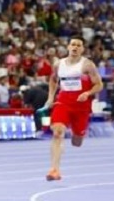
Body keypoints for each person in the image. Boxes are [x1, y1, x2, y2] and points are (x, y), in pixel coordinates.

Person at [42, 34, 103, 181]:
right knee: (57, 132)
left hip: (81, 106)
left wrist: (88, 93)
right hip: (63, 102)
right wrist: (50, 98)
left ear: (82, 49)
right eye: (73, 44)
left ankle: (78, 134)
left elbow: (99, 84)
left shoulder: (87, 65)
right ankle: (54, 170)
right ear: (68, 47)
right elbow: (53, 80)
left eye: (78, 45)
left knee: (77, 141)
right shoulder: (58, 64)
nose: (75, 47)